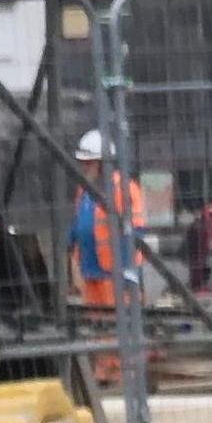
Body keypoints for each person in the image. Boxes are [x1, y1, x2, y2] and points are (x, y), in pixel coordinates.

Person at [70, 128, 142, 313]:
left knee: (116, 322)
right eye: (82, 162)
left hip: (114, 273)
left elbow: (134, 232)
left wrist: (128, 272)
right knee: (96, 326)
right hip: (90, 270)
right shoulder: (84, 189)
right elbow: (78, 224)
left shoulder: (123, 188)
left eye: (89, 162)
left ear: (103, 163)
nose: (84, 167)